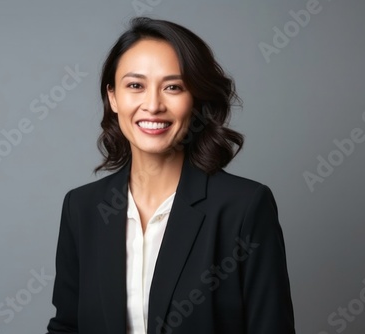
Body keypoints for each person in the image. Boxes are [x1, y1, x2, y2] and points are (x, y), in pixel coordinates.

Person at [46, 17, 295, 334]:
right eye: (135, 86)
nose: (152, 105)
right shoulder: (82, 207)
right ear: (113, 97)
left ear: (196, 100)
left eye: (173, 87)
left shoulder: (244, 207)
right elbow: (67, 325)